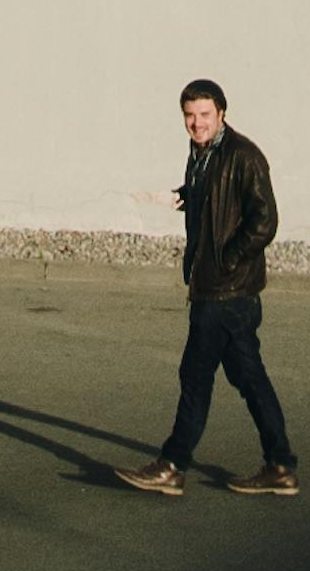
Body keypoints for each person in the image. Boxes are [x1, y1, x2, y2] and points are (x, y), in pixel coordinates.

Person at [115, 75, 295, 498]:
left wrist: (226, 260)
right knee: (249, 378)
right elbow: (215, 200)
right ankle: (281, 466)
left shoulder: (244, 156)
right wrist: (183, 196)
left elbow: (264, 221)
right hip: (215, 289)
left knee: (195, 376)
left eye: (205, 115)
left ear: (222, 114)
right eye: (190, 116)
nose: (197, 124)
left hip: (226, 293)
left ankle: (173, 465)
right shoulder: (201, 154)